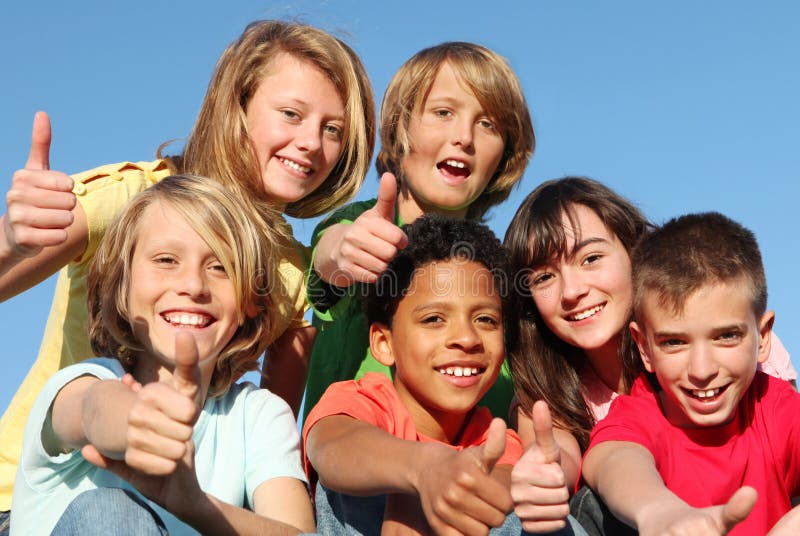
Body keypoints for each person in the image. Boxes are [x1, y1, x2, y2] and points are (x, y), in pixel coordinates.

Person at [0, 19, 375, 522]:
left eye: (333, 130)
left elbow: (264, 445)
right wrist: (12, 240)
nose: (312, 142)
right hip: (40, 498)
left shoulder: (290, 275)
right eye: (291, 114)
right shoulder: (131, 200)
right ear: (236, 107)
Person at [10, 174, 314, 535]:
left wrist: (197, 506)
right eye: (167, 260)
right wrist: (139, 422)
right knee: (109, 509)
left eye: (220, 267)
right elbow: (92, 410)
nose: (193, 285)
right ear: (121, 287)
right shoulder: (80, 383)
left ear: (249, 300)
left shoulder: (258, 415)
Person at [502, 177, 796, 529]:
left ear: (634, 252)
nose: (572, 291)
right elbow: (604, 456)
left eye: (591, 258)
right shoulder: (564, 392)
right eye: (544, 278)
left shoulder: (753, 374)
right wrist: (544, 473)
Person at [303, 215, 585, 535]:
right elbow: (330, 447)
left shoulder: (491, 438)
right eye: (435, 319)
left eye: (486, 320)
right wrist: (425, 469)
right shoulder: (362, 402)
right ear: (384, 343)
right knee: (366, 483)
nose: (466, 338)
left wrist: (527, 487)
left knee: (553, 524)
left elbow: (505, 482)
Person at [303, 41, 535, 421]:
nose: (464, 137)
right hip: (360, 470)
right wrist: (345, 252)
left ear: (505, 154)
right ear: (399, 127)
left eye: (488, 123)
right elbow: (330, 259)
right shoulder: (360, 226)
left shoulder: (502, 273)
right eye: (443, 112)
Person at [581, 211, 800, 534]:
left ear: (763, 337)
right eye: (674, 342)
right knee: (589, 507)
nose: (702, 370)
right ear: (644, 348)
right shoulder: (643, 414)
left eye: (726, 336)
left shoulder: (774, 407)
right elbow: (614, 458)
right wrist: (659, 511)